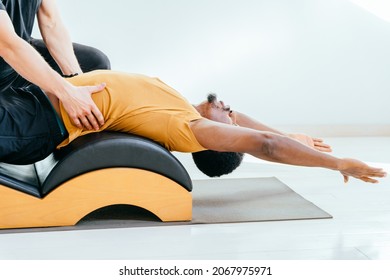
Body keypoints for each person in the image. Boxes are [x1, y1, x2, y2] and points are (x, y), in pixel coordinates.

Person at [46, 70, 385, 184]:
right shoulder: (181, 105)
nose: (229, 109)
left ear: (220, 142)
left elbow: (260, 142)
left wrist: (336, 164)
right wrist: (290, 135)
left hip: (40, 116)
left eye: (229, 118)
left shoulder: (190, 129)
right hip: (47, 92)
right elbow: (243, 123)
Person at [0, 0, 111, 164]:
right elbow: (7, 45)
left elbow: (51, 22)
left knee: (94, 63)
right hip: (8, 49)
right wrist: (66, 93)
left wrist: (78, 82)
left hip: (12, 64)